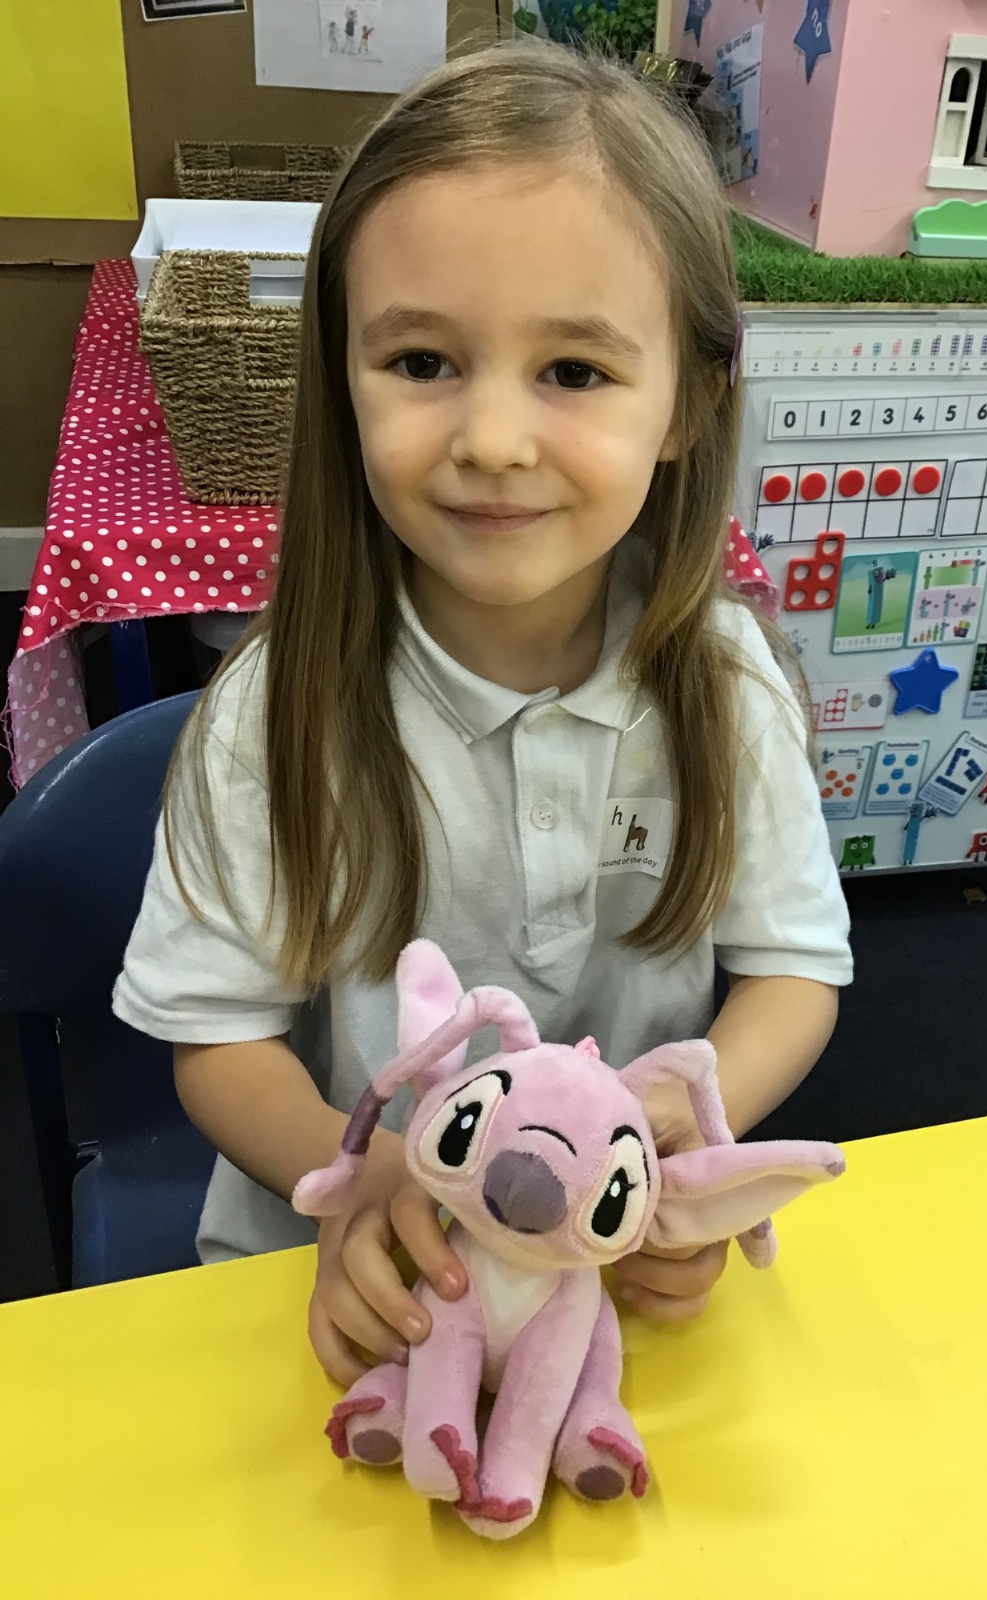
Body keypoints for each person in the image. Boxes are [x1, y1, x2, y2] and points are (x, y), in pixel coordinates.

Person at [113, 42, 852, 1391]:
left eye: (574, 370)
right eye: (422, 360)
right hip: (352, 1292)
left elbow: (794, 971)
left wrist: (683, 1118)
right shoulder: (275, 710)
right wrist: (356, 1173)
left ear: (687, 401)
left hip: (616, 1289)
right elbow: (216, 1038)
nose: (494, 440)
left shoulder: (726, 682)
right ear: (342, 377)